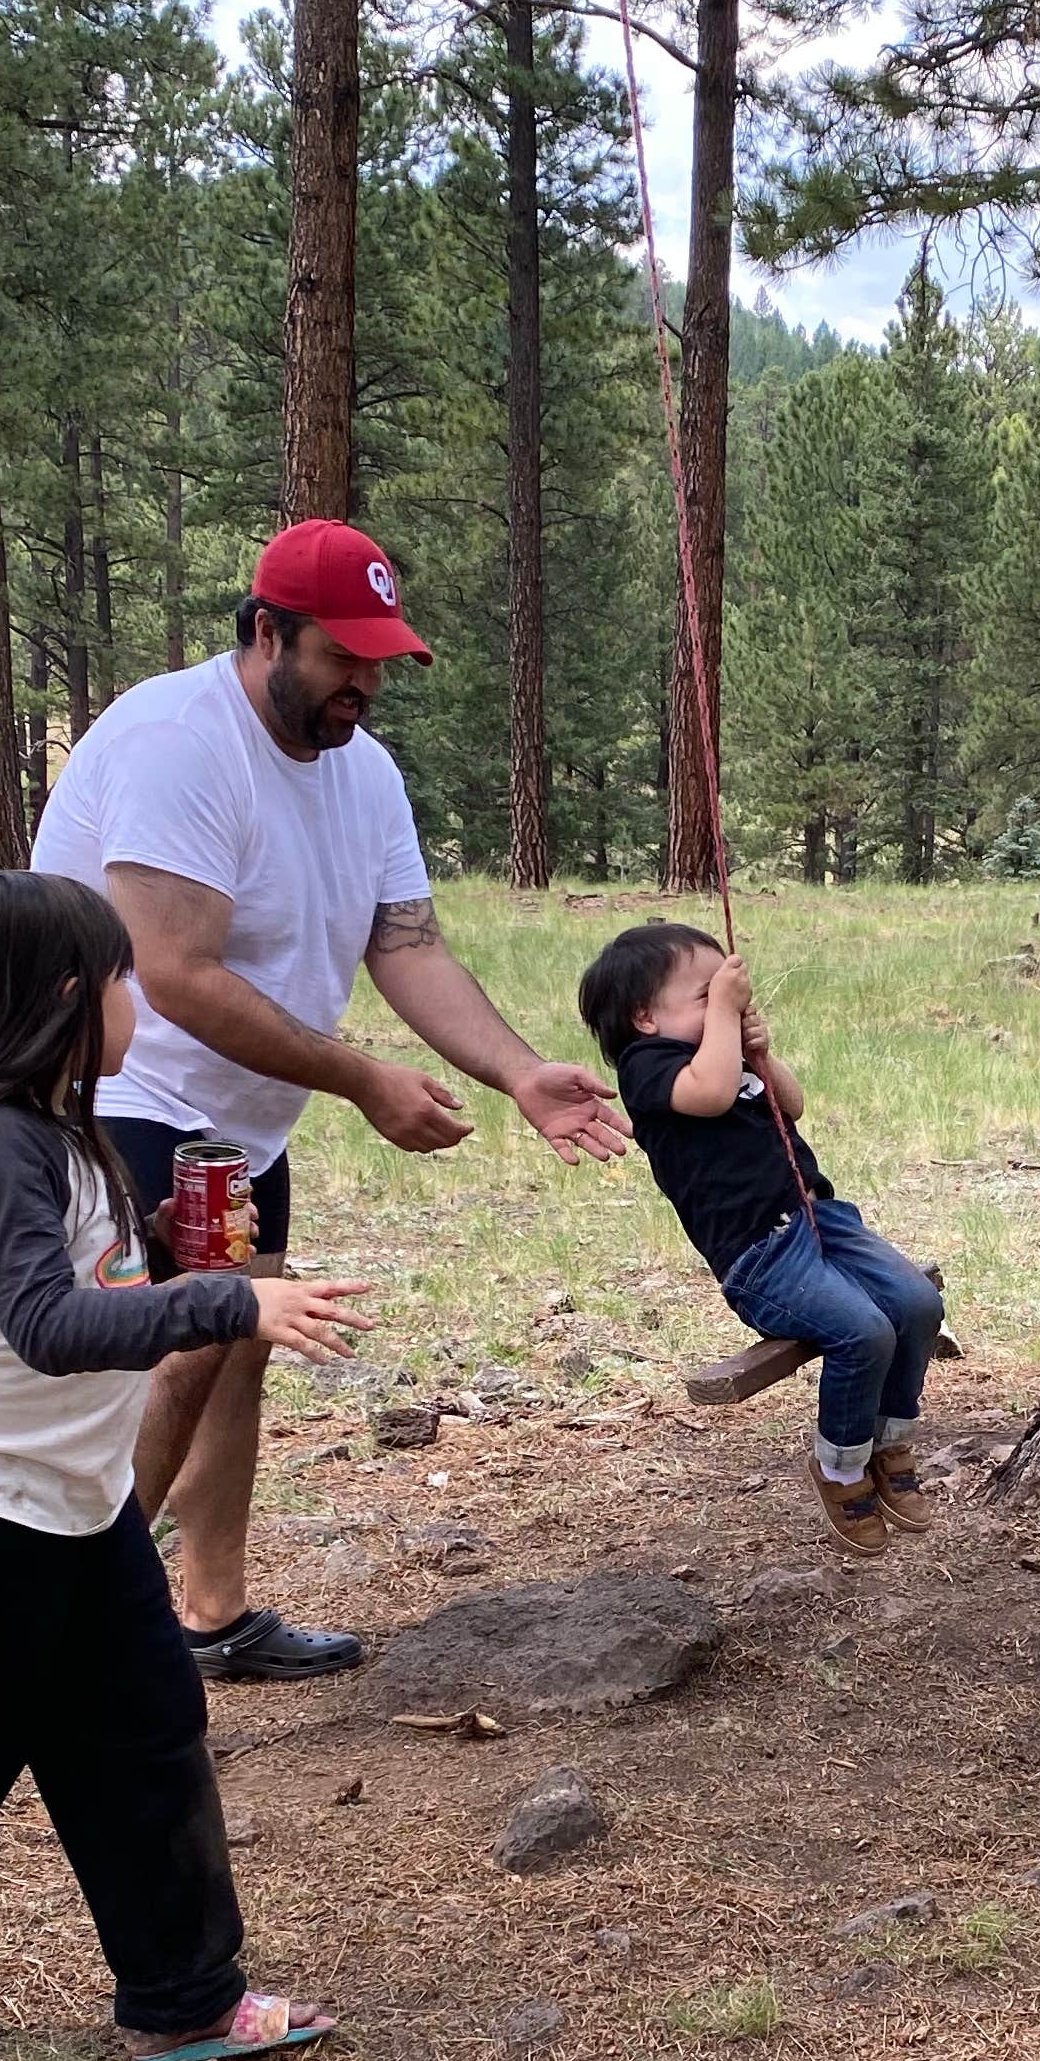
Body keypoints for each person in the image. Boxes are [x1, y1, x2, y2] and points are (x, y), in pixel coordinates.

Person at [0, 872, 362, 2061]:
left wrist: (171, 1242)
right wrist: (222, 1300)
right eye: (120, 979)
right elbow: (48, 1324)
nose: (133, 999)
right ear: (64, 996)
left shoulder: (54, 1128)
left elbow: (84, 1274)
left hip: (73, 1504)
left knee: (146, 1733)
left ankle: (184, 1998)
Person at [33, 520, 626, 1682]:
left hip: (243, 1115)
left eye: (381, 659)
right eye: (342, 657)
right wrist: (358, 1079)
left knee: (236, 1340)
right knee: (186, 1342)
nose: (365, 682)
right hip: (121, 1091)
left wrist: (515, 1074)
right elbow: (172, 972)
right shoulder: (177, 743)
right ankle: (88, 1633)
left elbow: (405, 946)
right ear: (267, 634)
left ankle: (209, 1615)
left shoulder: (366, 772)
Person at [577, 918, 944, 1559]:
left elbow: (791, 1107)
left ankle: (890, 1440)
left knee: (917, 1304)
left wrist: (763, 1054)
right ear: (644, 1017)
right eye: (705, 995)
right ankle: (840, 1466)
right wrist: (726, 1019)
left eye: (729, 991)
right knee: (863, 1331)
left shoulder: (724, 1052)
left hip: (819, 1216)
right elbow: (713, 1095)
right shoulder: (648, 1067)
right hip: (760, 1253)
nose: (727, 1002)